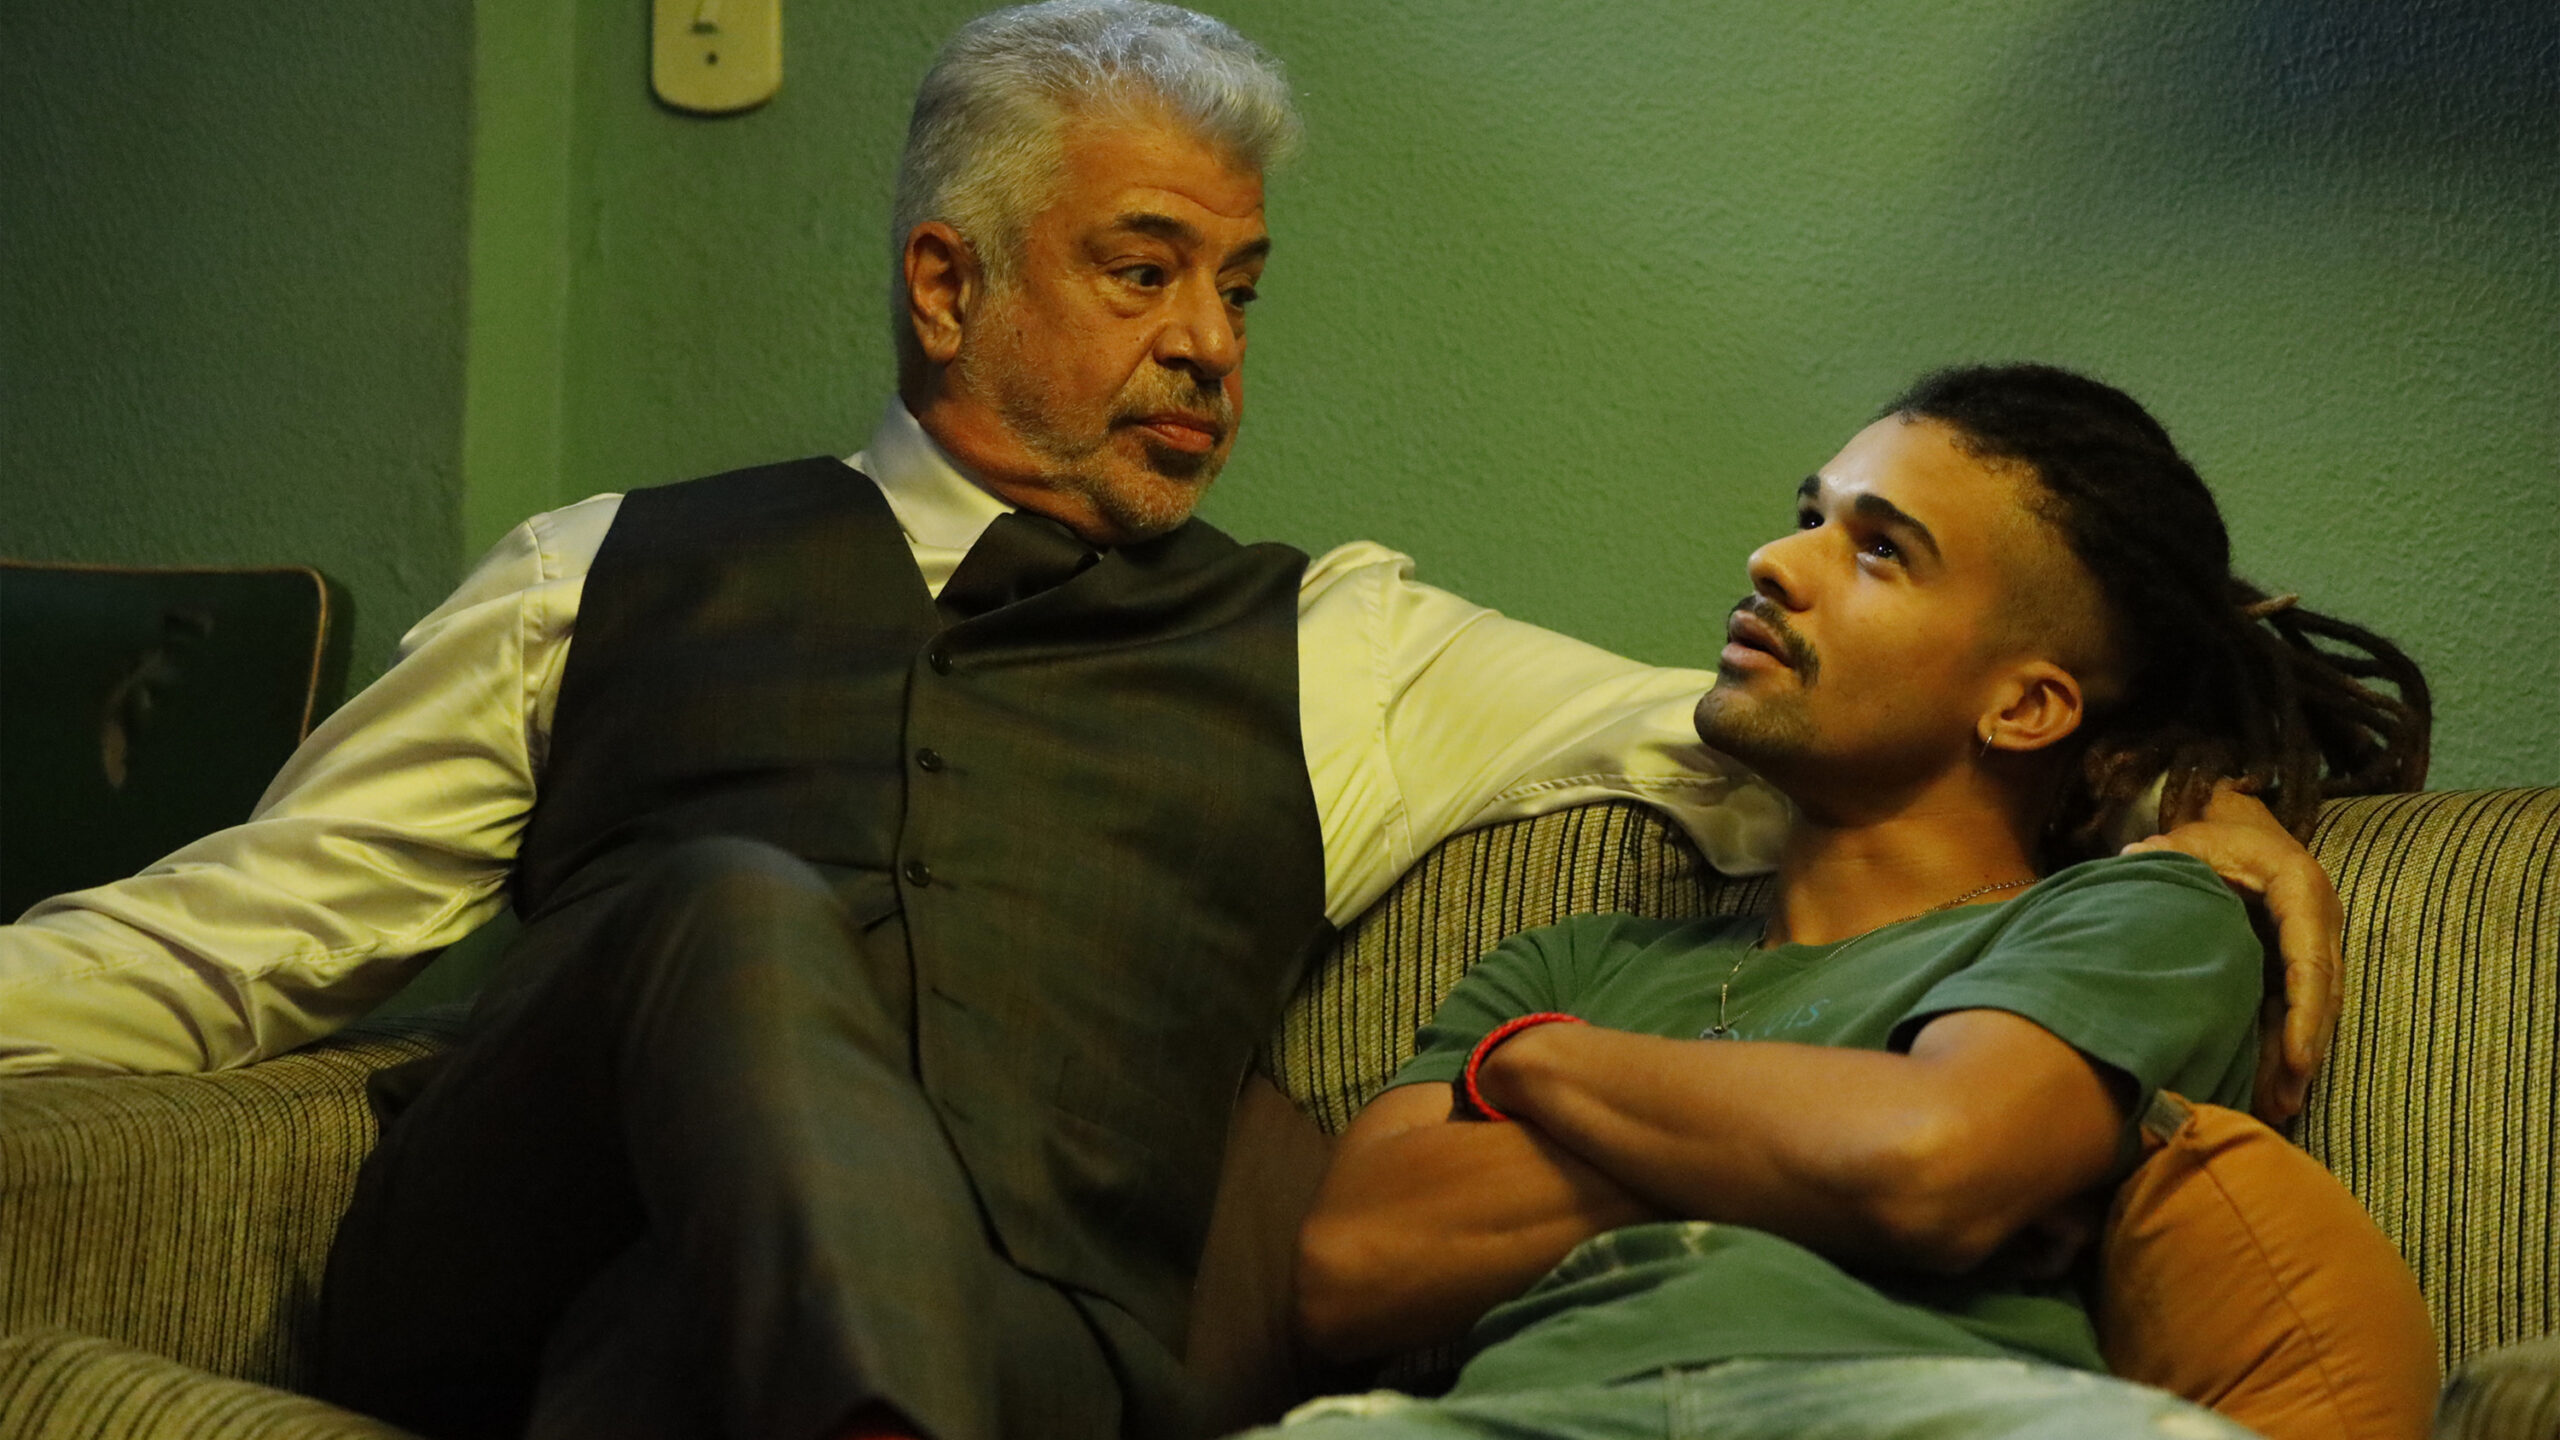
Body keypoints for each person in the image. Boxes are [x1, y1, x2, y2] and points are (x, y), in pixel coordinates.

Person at [0, 7, 2347, 1439]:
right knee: (719, 910)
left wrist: (2200, 792)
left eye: (1237, 284)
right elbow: (226, 939)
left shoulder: (1345, 643)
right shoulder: (595, 567)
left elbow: (1809, 726)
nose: (1212, 344)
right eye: (1142, 271)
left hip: (1041, 1364)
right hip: (503, 1278)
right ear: (948, 284)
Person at [1279, 363, 2430, 1440]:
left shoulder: (2138, 916)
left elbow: (1927, 1171)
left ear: (2025, 707)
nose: (1775, 561)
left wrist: (1538, 1065)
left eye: (1880, 550)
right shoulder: (1576, 963)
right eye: (1809, 514)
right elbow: (1349, 1265)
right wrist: (1828, 1150)